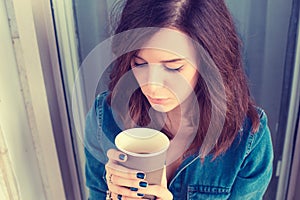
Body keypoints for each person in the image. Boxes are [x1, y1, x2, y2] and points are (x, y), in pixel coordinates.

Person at [84, 0, 274, 199]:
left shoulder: (248, 140)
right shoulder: (104, 119)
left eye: (173, 68)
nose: (152, 85)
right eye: (139, 63)